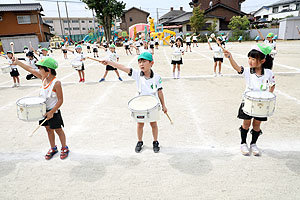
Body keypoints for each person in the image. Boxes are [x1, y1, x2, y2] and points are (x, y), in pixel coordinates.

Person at [96, 52, 168, 153]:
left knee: (153, 124)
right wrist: (109, 62)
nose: (141, 64)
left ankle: (155, 142)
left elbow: (160, 91)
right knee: (140, 124)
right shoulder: (137, 74)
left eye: (144, 61)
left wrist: (164, 105)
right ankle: (140, 141)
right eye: (139, 62)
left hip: (152, 104)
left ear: (151, 63)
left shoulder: (157, 77)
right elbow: (122, 67)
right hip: (140, 104)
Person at [223, 43, 275, 156]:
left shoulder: (269, 73)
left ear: (262, 61)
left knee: (257, 125)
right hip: (247, 102)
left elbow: (272, 84)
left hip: (261, 104)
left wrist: (268, 96)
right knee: (246, 124)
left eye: (253, 59)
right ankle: (243, 143)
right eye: (249, 58)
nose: (250, 61)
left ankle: (253, 144)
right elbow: (237, 68)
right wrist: (230, 57)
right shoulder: (247, 71)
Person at [13, 57, 69, 160]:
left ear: (48, 69)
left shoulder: (56, 83)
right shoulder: (43, 78)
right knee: (48, 130)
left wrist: (52, 112)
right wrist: (18, 62)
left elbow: (60, 100)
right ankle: (53, 148)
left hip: (53, 112)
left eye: (40, 68)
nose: (38, 70)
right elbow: (31, 69)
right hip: (43, 111)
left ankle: (64, 147)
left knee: (58, 130)